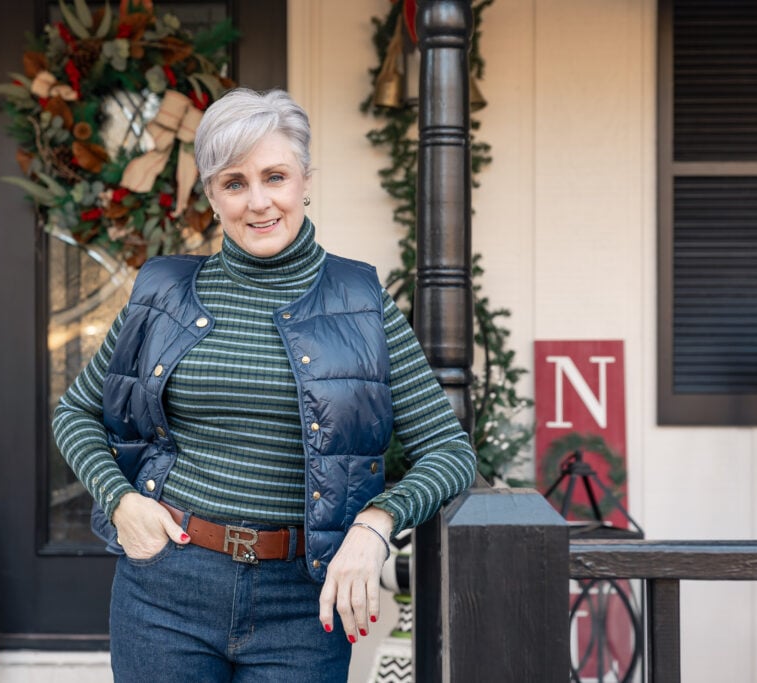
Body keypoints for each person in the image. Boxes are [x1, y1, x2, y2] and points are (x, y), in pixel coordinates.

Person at [53, 87, 476, 682]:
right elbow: (74, 413)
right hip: (166, 590)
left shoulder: (361, 306)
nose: (258, 202)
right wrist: (121, 502)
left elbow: (450, 454)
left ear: (305, 179)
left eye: (274, 176)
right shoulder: (163, 294)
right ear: (211, 195)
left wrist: (375, 526)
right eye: (234, 183)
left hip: (304, 603)